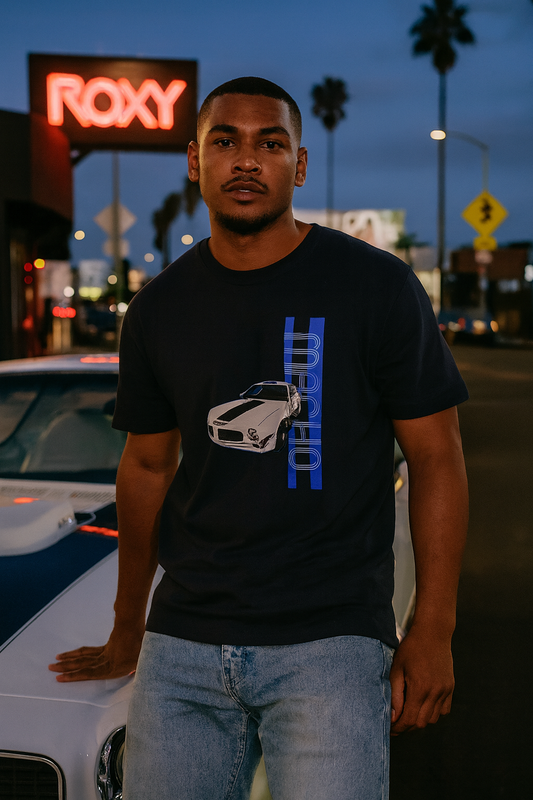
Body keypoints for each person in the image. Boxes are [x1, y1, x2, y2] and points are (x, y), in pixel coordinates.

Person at [49, 77, 469, 800]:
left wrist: (431, 628)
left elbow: (436, 457)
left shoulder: (373, 286)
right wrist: (129, 627)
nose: (247, 160)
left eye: (269, 143)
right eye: (225, 142)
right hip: (183, 644)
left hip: (329, 644)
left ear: (298, 166)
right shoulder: (158, 309)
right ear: (194, 161)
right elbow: (146, 468)